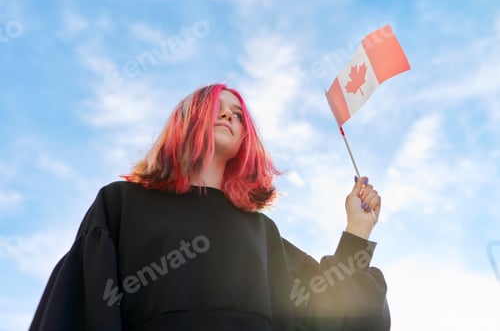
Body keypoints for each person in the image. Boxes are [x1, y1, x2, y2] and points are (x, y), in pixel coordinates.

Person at [29, 83, 390, 330]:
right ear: (186, 121)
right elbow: (81, 307)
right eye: (214, 108)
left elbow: (322, 313)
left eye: (237, 114)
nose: (227, 116)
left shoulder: (261, 232)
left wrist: (357, 231)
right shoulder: (121, 204)